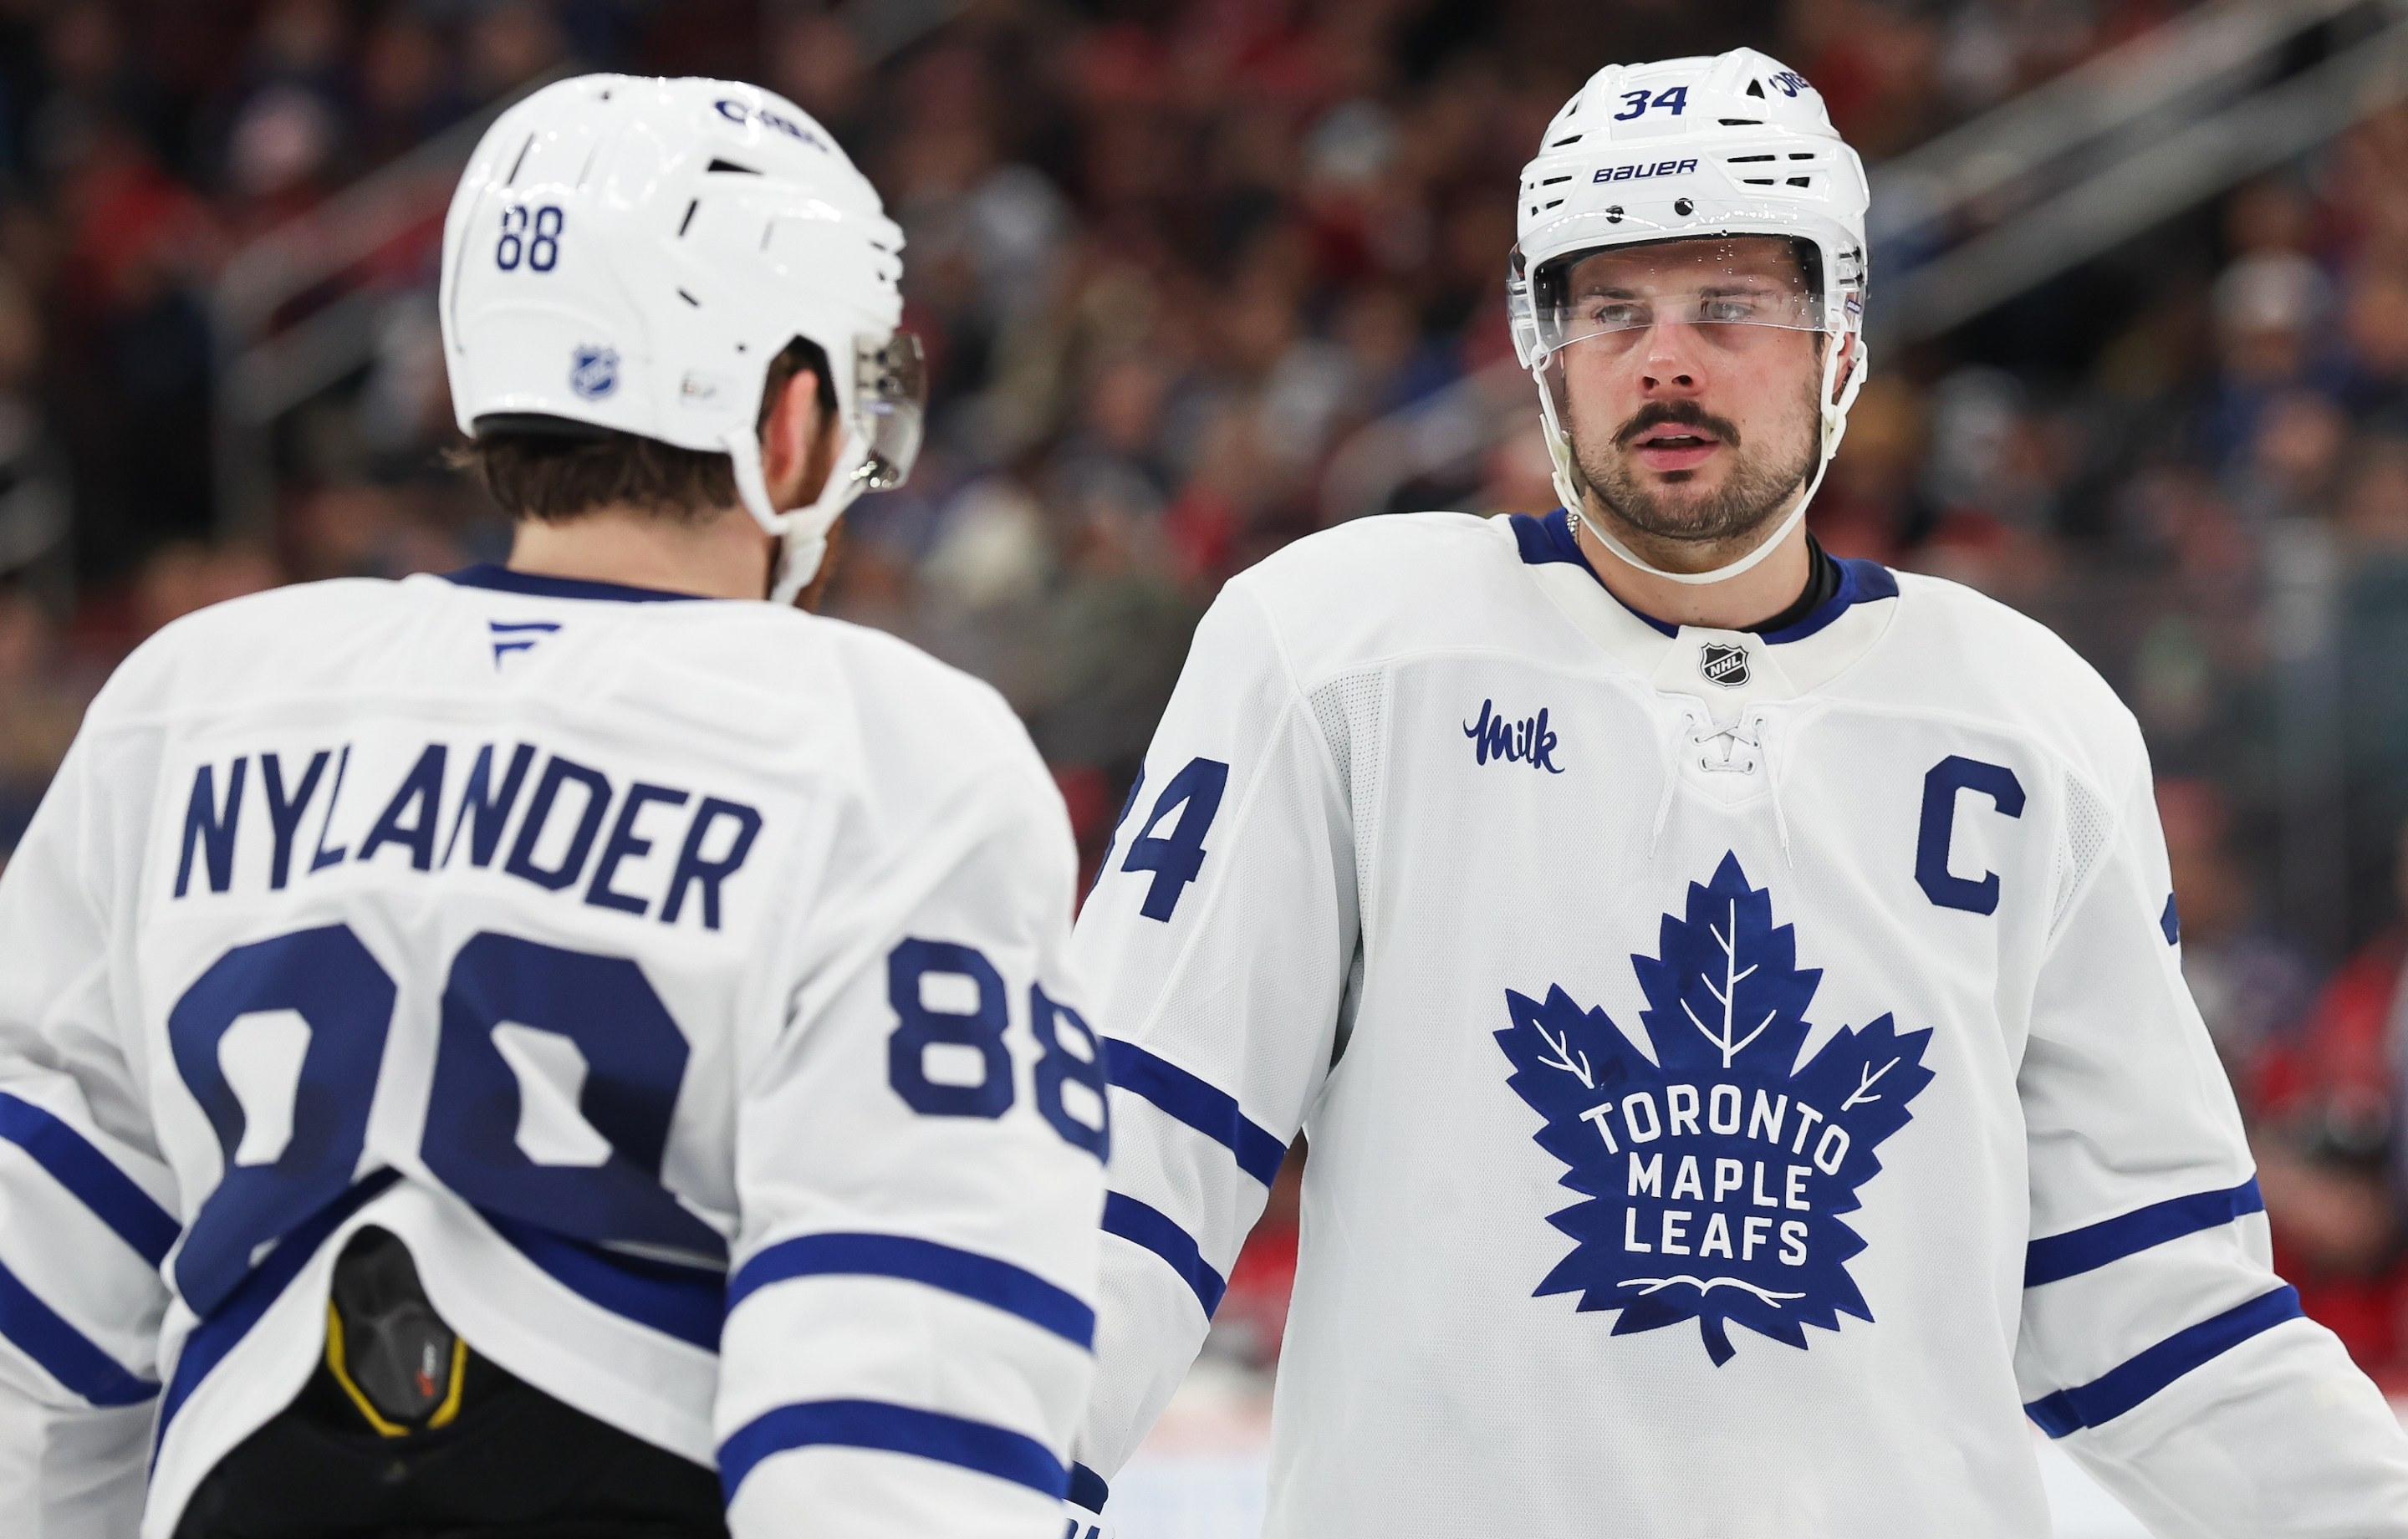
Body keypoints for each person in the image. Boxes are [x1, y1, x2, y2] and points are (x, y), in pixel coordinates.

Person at [1061, 48, 2408, 1538]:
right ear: (1542, 342)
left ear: (1840, 341)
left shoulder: (2036, 730)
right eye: (1611, 306)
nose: (1667, 357)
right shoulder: (1339, 657)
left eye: (1734, 305)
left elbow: (2159, 1312)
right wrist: (970, 1485)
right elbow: (1130, 1162)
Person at [0, 77, 1107, 1539]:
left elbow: (39, 1360)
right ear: (790, 417)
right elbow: (900, 1426)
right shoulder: (893, 753)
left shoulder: (188, 707)